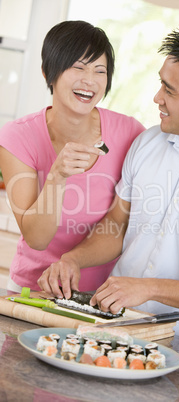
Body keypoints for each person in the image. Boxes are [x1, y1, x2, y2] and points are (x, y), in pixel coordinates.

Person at [38, 27, 179, 348]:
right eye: (161, 83)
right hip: (113, 330)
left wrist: (150, 288)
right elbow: (117, 228)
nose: (157, 97)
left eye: (169, 90)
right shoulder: (149, 142)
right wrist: (73, 259)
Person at [0, 20, 145, 293]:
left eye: (99, 70)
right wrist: (57, 177)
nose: (89, 80)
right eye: (78, 67)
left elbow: (122, 224)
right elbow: (37, 239)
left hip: (103, 296)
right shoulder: (17, 137)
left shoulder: (130, 133)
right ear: (48, 72)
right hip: (35, 291)